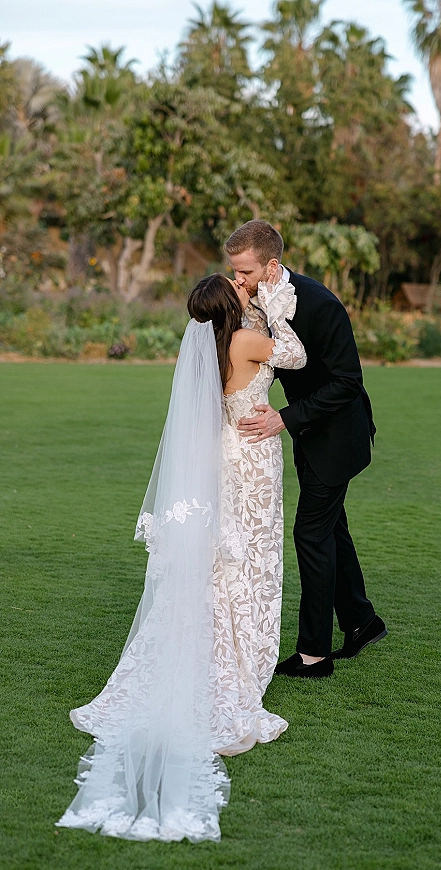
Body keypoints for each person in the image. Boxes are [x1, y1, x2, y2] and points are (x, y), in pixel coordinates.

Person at [56, 272, 306, 843]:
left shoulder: (214, 341)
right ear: (230, 303)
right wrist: (269, 306)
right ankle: (235, 664)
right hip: (248, 462)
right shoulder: (246, 339)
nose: (244, 287)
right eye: (236, 286)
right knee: (246, 562)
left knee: (222, 565)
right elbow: (294, 354)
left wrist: (246, 309)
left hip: (224, 454)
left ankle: (218, 647)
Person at [225, 220, 387, 679]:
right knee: (331, 528)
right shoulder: (257, 302)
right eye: (233, 272)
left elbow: (347, 382)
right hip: (309, 434)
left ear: (271, 265)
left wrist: (282, 418)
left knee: (310, 535)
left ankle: (314, 655)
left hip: (337, 436)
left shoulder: (318, 303)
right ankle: (362, 621)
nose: (239, 281)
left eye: (245, 273)